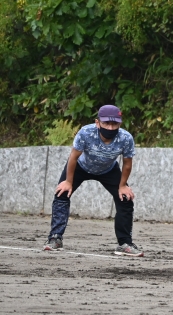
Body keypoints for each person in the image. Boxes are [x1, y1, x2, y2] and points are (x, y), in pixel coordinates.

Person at [43, 105, 142, 257]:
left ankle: (125, 243)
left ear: (120, 123)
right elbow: (73, 157)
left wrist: (122, 185)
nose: (110, 127)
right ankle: (55, 238)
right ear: (97, 123)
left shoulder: (125, 138)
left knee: (125, 199)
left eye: (114, 124)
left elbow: (127, 163)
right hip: (81, 166)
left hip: (108, 170)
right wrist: (68, 181)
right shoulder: (86, 132)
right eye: (106, 123)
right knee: (61, 193)